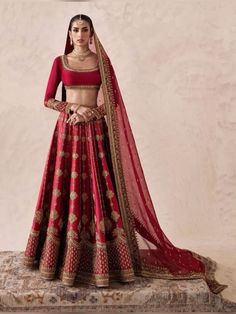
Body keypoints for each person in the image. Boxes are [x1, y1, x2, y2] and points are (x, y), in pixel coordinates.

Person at [23, 14, 228, 294]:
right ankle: (61, 258)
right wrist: (74, 109)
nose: (80, 34)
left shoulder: (102, 63)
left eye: (85, 29)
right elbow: (48, 99)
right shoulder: (60, 62)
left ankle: (106, 259)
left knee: (98, 190)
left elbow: (112, 101)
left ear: (91, 34)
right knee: (66, 189)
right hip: (67, 133)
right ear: (69, 34)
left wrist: (90, 114)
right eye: (75, 29)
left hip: (95, 133)